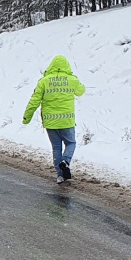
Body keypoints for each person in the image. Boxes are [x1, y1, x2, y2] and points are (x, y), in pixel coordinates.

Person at [22, 55, 86, 183]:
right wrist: (74, 79)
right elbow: (81, 91)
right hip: (67, 120)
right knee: (71, 143)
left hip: (50, 122)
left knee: (56, 148)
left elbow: (34, 100)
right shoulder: (72, 80)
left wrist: (26, 117)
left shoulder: (44, 81)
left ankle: (60, 176)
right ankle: (66, 161)